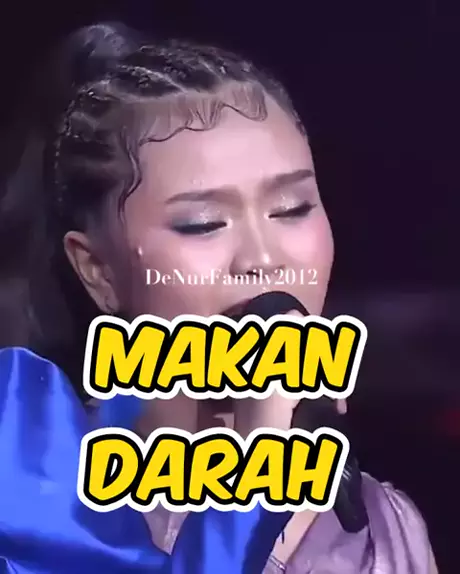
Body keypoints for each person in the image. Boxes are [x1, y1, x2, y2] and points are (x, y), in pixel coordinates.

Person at [0, 21, 437, 573]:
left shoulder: (385, 525)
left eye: (292, 209)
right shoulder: (31, 492)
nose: (263, 257)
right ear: (98, 270)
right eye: (203, 223)